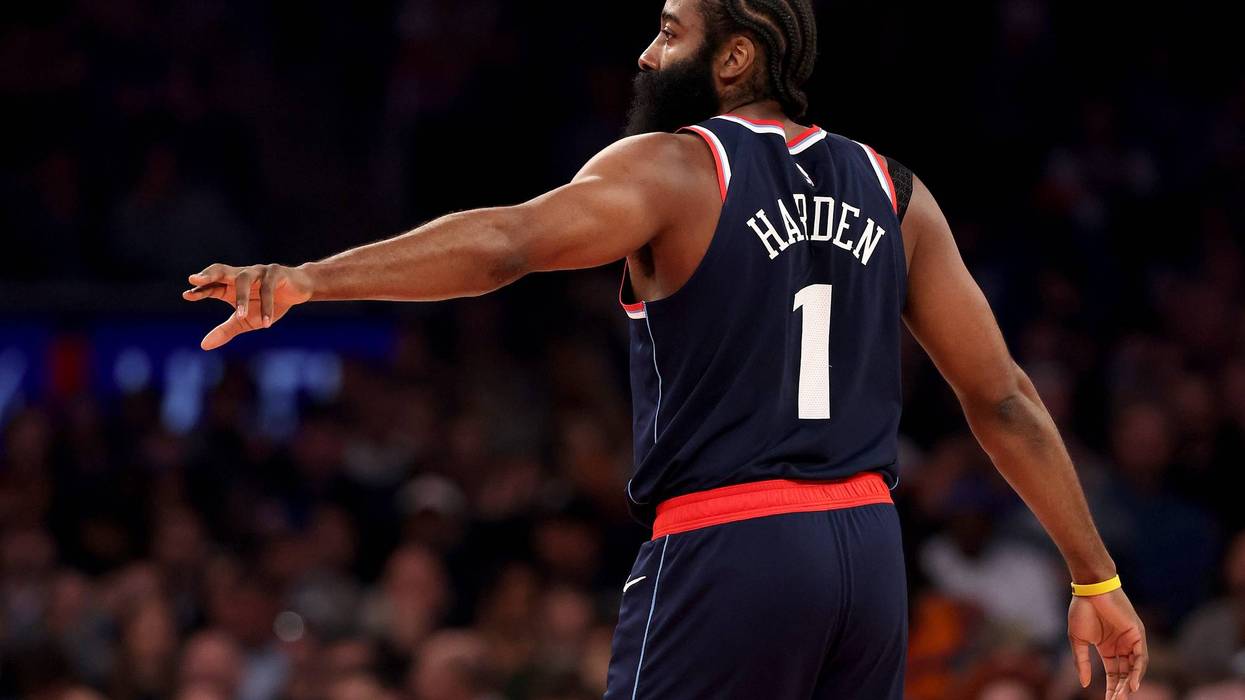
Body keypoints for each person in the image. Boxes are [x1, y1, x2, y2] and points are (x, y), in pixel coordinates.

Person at [182, 0, 1148, 697]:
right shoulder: (892, 189)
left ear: (734, 57)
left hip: (732, 543)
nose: (645, 55)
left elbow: (506, 244)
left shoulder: (679, 167)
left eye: (669, 32)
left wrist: (310, 279)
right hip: (867, 554)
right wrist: (1094, 577)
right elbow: (1002, 398)